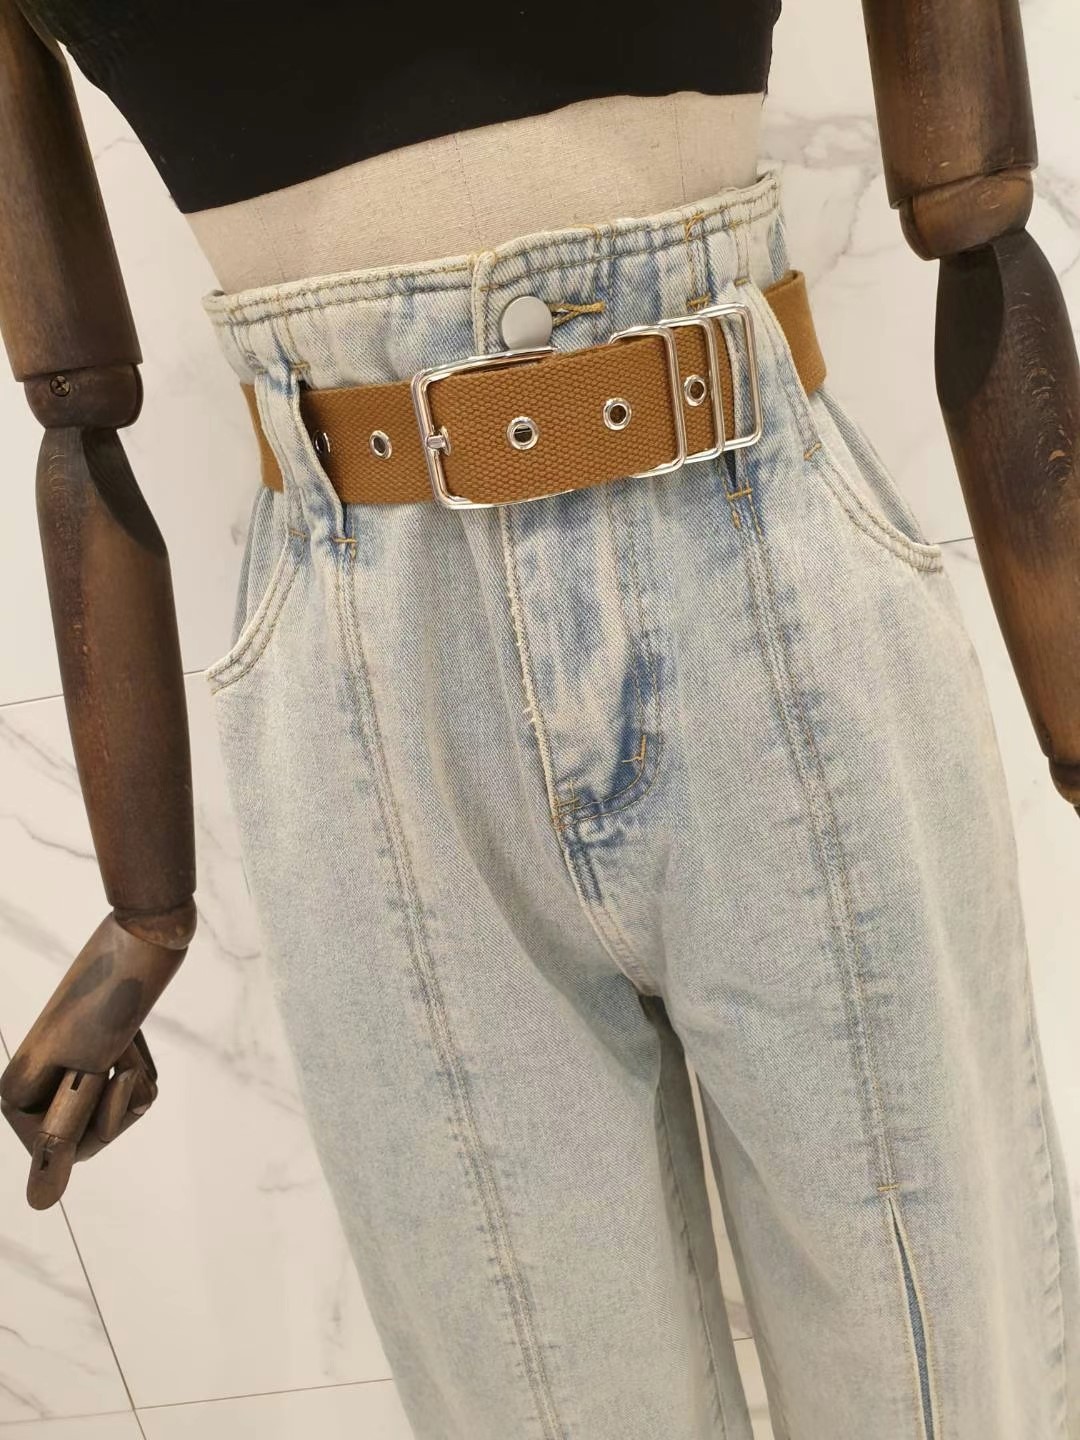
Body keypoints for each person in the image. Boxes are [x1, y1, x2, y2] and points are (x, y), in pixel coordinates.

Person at [14, 3, 1079, 1436]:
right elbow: (74, 410)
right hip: (369, 712)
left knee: (946, 1372)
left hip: (777, 587)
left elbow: (980, 221)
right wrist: (145, 913)